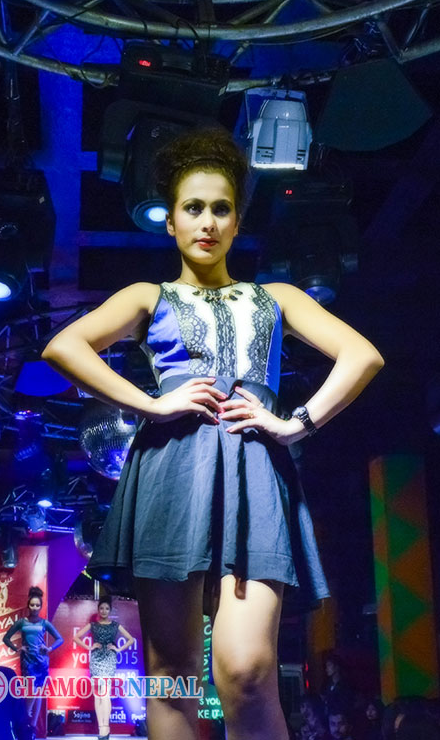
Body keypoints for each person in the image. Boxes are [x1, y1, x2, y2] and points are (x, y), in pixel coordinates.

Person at [42, 128, 384, 740]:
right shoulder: (148, 296)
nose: (207, 221)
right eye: (193, 208)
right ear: (171, 221)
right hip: (170, 474)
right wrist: (151, 404)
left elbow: (362, 356)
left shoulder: (276, 297)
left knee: (247, 671)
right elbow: (64, 348)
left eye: (220, 208)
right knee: (172, 677)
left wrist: (295, 423)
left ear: (237, 221)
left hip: (254, 477)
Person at [2, 586, 64, 733]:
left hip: (41, 662)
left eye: (37, 605)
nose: (35, 608)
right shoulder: (22, 622)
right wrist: (17, 648)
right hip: (27, 662)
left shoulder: (44, 623)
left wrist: (49, 648)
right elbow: (6, 638)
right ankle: (24, 721)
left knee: (38, 693)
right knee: (32, 692)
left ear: (41, 607)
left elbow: (60, 639)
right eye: (32, 605)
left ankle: (33, 726)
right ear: (28, 605)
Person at [73, 595, 135, 740]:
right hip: (96, 660)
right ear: (98, 610)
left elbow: (131, 639)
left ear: (110, 610)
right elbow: (76, 637)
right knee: (98, 695)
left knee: (105, 694)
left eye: (107, 608)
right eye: (101, 608)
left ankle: (105, 728)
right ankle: (101, 727)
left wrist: (118, 649)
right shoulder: (93, 625)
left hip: (109, 660)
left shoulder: (115, 625)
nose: (104, 611)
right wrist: (89, 647)